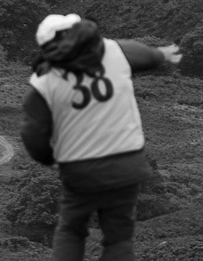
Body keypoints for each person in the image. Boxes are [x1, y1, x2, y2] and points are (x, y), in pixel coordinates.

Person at [21, 13, 181, 261]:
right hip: (126, 164)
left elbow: (33, 135)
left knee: (71, 231)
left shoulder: (44, 80)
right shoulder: (114, 51)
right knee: (119, 237)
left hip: (80, 169)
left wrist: (50, 159)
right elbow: (147, 56)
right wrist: (163, 54)